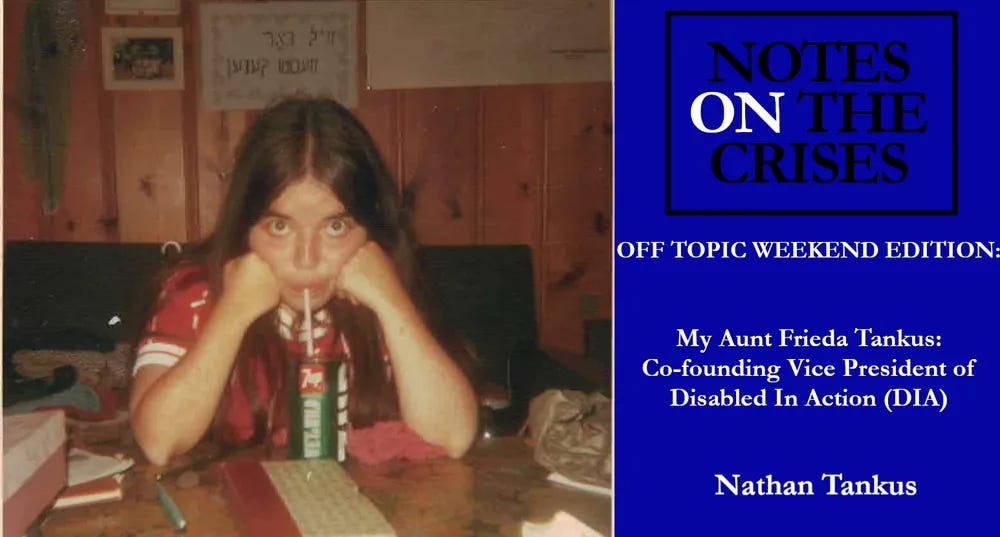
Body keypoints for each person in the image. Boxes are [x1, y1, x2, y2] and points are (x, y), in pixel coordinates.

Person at [129, 97, 480, 466]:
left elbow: (452, 438)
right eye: (279, 227)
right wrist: (232, 313)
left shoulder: (381, 284)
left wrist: (393, 306)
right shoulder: (195, 289)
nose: (307, 258)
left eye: (336, 226)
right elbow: (159, 442)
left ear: (370, 230)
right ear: (245, 224)